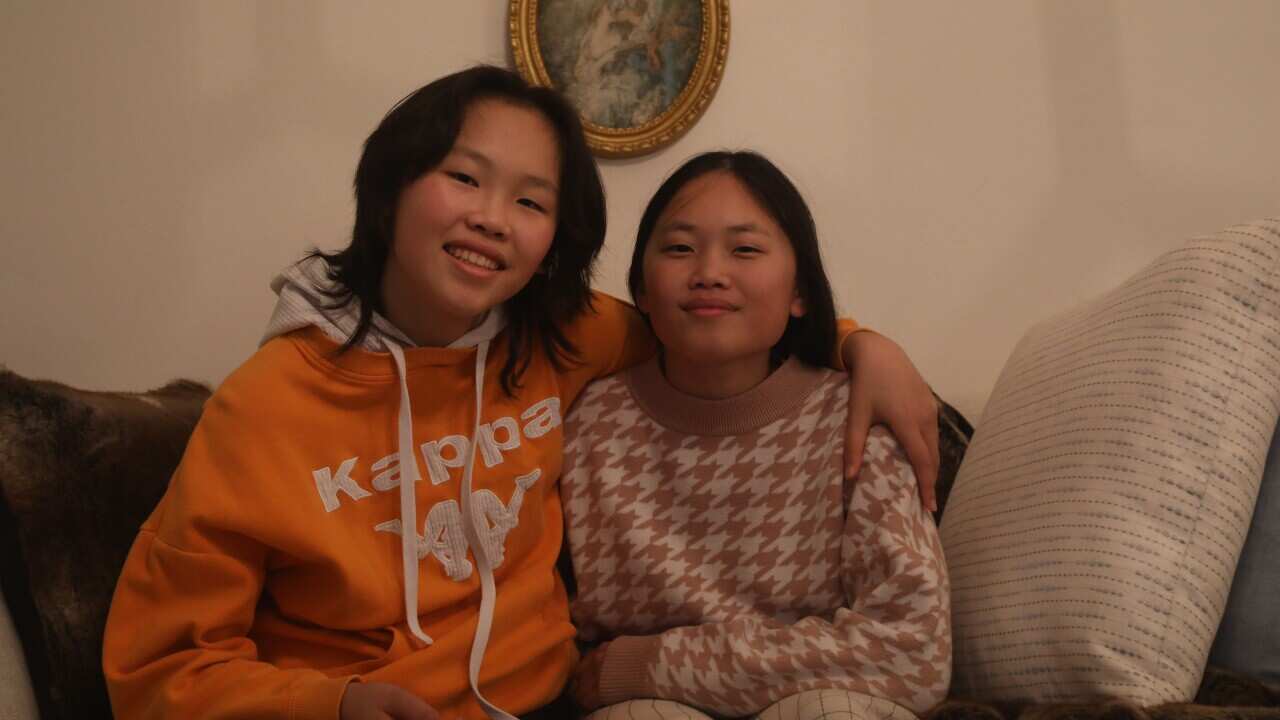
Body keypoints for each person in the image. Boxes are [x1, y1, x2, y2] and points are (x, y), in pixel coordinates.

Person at [102, 66, 939, 720]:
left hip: (539, 705)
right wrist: (329, 703)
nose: (493, 219)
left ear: (551, 242)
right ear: (390, 189)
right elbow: (159, 668)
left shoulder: (561, 337)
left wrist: (860, 342)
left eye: (530, 200)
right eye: (464, 179)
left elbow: (714, 321)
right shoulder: (266, 405)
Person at [561, 151, 951, 720]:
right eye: (678, 248)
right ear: (641, 291)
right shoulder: (586, 422)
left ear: (801, 293)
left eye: (745, 249)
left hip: (818, 701)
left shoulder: (860, 415)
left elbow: (914, 654)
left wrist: (649, 663)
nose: (709, 272)